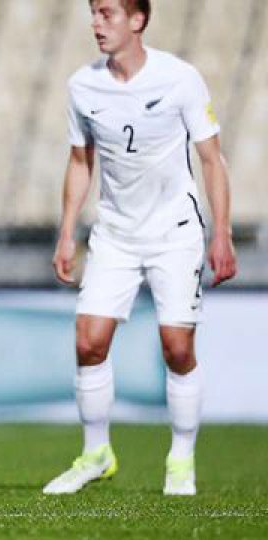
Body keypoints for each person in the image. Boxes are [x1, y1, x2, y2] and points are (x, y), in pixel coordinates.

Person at [44, 0, 236, 497]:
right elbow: (80, 161)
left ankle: (181, 459)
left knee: (177, 348)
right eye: (93, 13)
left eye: (107, 13)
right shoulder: (82, 86)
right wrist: (67, 231)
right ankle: (95, 453)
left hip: (175, 232)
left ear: (138, 20)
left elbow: (211, 160)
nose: (96, 23)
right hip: (114, 233)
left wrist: (222, 233)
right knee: (88, 341)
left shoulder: (180, 79)